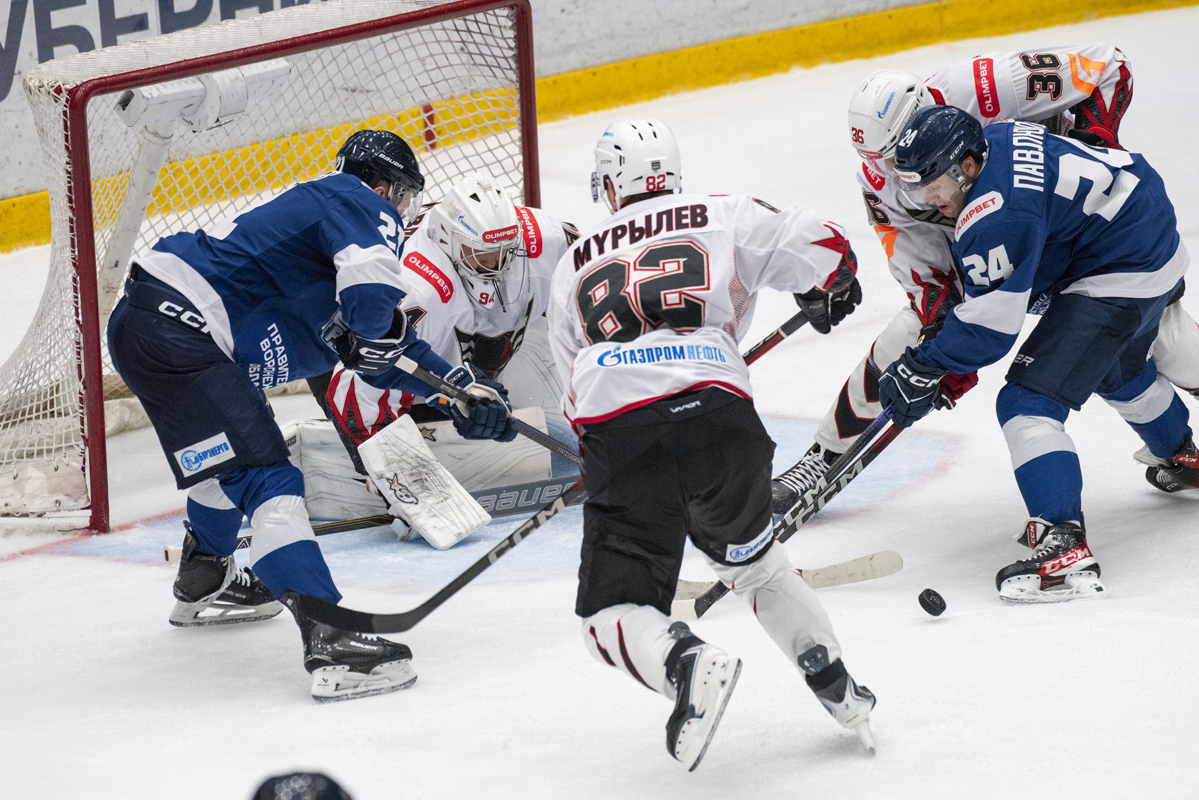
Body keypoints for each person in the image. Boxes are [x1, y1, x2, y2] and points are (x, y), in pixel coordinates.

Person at [107, 129, 517, 701]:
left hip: (150, 330)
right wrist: (374, 332)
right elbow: (373, 319)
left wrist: (461, 391)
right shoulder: (353, 198)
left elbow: (385, 353)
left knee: (227, 460)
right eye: (404, 199)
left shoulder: (314, 264)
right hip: (182, 328)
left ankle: (207, 577)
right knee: (269, 479)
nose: (402, 215)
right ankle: (331, 636)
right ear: (385, 187)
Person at [547, 118, 875, 770]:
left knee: (610, 612)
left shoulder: (572, 263)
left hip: (620, 427)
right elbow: (828, 245)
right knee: (754, 563)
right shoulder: (724, 213)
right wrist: (828, 289)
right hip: (722, 421)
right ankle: (837, 687)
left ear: (610, 185)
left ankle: (683, 660)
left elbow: (571, 385)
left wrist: (605, 457)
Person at [772, 45, 1199, 511]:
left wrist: (1097, 142)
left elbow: (1108, 67)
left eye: (895, 156)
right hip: (997, 248)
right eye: (879, 160)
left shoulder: (982, 86)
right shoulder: (881, 181)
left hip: (1085, 231)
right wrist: (941, 353)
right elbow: (928, 279)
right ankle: (822, 459)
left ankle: (1175, 452)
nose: (893, 173)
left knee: (1158, 333)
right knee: (909, 339)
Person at [879, 105, 1197, 602]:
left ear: (966, 166)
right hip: (1147, 228)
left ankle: (1063, 545)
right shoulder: (1000, 136)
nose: (929, 199)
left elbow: (991, 329)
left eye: (933, 184)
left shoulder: (993, 214)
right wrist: (946, 352)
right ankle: (1181, 455)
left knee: (1027, 404)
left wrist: (927, 364)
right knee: (1114, 366)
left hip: (1123, 264)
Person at [323, 170, 579, 493]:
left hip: (457, 365)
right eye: (482, 253)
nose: (496, 263)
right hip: (340, 350)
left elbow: (602, 293)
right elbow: (353, 384)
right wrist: (389, 479)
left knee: (559, 315)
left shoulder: (546, 240)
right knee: (375, 379)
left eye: (504, 250)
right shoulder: (418, 289)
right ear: (449, 242)